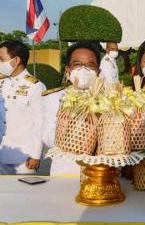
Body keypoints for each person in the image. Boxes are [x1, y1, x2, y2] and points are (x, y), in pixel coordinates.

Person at [42, 42, 100, 175]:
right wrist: (76, 135)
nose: (83, 69)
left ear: (98, 71)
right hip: (65, 169)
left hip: (98, 172)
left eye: (90, 65)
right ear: (68, 69)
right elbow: (47, 137)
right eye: (77, 64)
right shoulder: (54, 98)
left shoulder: (111, 101)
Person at [0, 40, 46, 174]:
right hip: (2, 152)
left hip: (24, 157)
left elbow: (40, 123)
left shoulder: (36, 87)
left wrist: (36, 155)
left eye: (2, 59)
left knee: (24, 188)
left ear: (16, 60)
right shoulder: (2, 83)